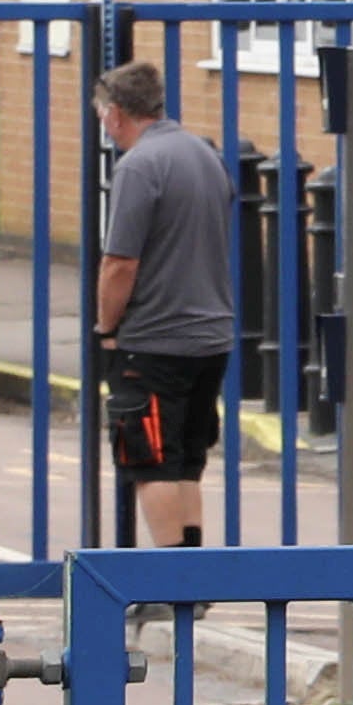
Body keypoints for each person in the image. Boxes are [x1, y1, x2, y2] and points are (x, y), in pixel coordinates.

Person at [90, 61, 237, 548]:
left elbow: (120, 264)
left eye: (101, 114)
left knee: (149, 459)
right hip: (211, 336)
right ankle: (193, 578)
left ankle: (168, 580)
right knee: (188, 458)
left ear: (114, 114)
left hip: (156, 338)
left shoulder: (138, 166)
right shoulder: (203, 154)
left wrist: (106, 328)